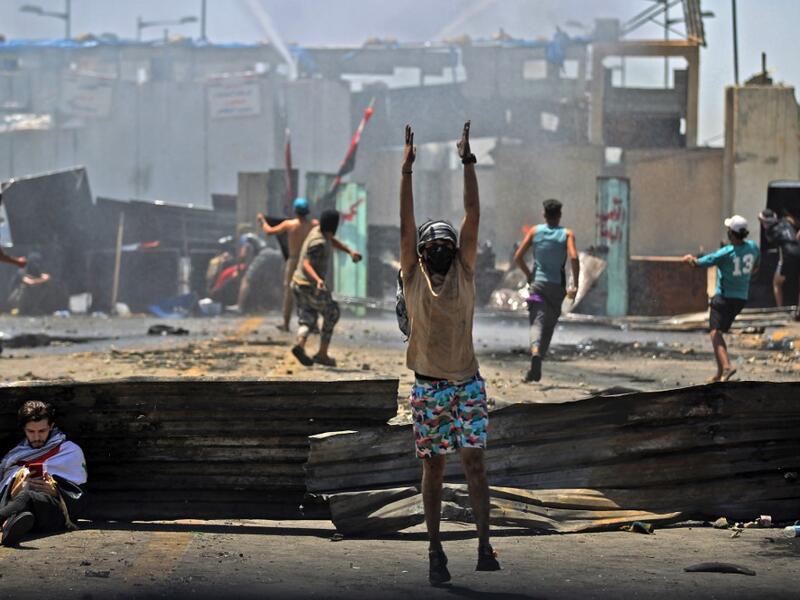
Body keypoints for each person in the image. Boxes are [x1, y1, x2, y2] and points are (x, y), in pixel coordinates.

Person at [399, 122, 500, 586]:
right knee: (434, 470)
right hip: (429, 387)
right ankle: (436, 549)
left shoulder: (464, 270)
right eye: (432, 246)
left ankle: (484, 543)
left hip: (468, 384)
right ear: (420, 253)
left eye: (447, 245)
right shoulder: (414, 277)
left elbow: (473, 213)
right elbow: (406, 224)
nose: (441, 249)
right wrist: (406, 172)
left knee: (475, 464)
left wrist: (467, 160)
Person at [683, 215, 760, 382]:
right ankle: (719, 374)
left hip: (723, 298)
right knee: (718, 332)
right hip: (741, 299)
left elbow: (700, 263)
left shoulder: (726, 253)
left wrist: (690, 260)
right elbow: (756, 268)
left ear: (731, 234)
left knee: (715, 333)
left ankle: (726, 367)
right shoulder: (753, 248)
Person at [0, 401, 87, 547]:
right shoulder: (15, 454)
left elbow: (80, 495)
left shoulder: (70, 450)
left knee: (28, 495)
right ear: (23, 429)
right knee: (25, 502)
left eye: (42, 431)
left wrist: (56, 490)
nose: (36, 437)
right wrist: (18, 480)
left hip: (50, 510)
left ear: (51, 426)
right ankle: (11, 527)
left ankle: (5, 519)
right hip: (20, 508)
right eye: (31, 431)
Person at [513, 199, 579, 382]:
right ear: (559, 215)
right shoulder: (567, 234)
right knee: (549, 326)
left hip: (538, 286)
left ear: (544, 215)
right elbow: (574, 257)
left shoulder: (535, 232)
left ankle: (534, 353)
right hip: (557, 288)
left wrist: (529, 275)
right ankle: (539, 360)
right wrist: (576, 283)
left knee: (537, 322)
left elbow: (518, 257)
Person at [290, 209, 361, 367]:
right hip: (309, 286)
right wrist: (319, 280)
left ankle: (300, 345)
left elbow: (331, 240)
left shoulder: (319, 231)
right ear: (334, 225)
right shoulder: (319, 243)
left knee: (307, 318)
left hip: (297, 285)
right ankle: (322, 354)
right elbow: (306, 263)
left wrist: (349, 251)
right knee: (332, 312)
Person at [258, 198, 317, 331]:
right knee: (310, 292)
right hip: (309, 262)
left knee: (289, 293)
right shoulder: (314, 225)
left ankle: (286, 324)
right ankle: (313, 325)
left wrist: (262, 220)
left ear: (295, 211)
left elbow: (269, 231)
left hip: (294, 261)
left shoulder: (289, 225)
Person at [758, 208, 800, 310]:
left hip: (788, 256)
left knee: (776, 282)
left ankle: (780, 308)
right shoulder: (786, 221)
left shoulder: (770, 232)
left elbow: (776, 243)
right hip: (798, 250)